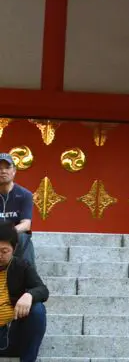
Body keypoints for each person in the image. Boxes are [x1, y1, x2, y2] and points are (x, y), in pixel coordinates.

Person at [0, 223, 47, 362]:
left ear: (14, 249)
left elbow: (42, 290)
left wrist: (29, 295)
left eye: (4, 251)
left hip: (11, 333)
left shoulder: (21, 266)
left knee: (37, 309)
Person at [0, 154, 34, 266]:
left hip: (14, 236)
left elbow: (26, 224)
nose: (3, 171)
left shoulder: (25, 194)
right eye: (0, 168)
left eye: (7, 167)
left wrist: (8, 232)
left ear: (14, 171)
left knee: (23, 237)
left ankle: (27, 275)